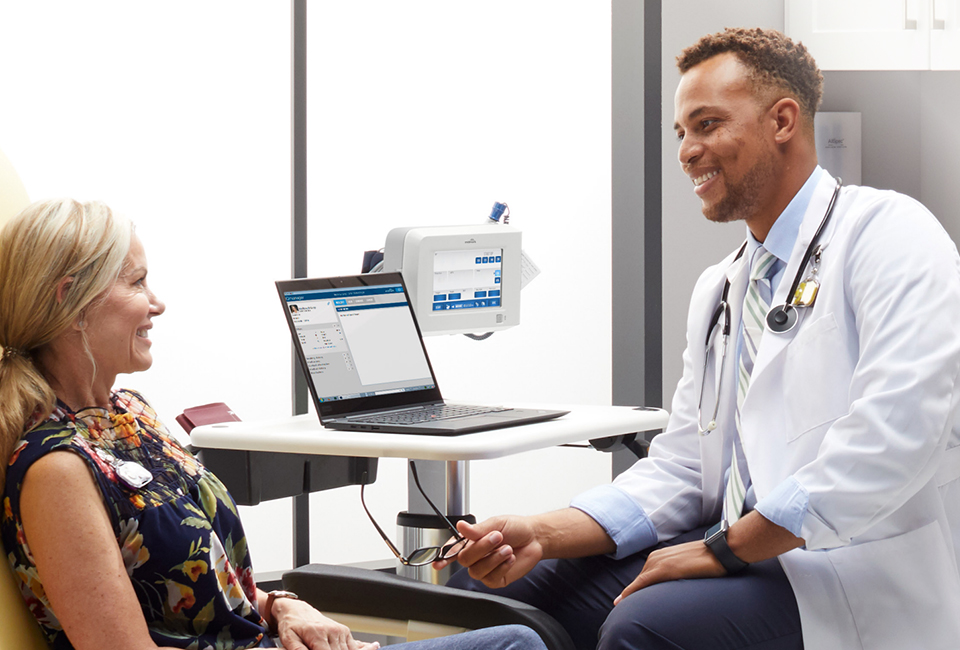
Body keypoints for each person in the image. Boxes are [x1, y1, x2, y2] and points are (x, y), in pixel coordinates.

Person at [435, 27, 960, 650]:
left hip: (843, 566)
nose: (687, 151)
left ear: (783, 121)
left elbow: (895, 436)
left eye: (707, 125)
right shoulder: (722, 286)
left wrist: (728, 547)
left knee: (645, 627)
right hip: (732, 540)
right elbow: (685, 467)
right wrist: (544, 531)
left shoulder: (889, 234)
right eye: (681, 132)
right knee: (497, 595)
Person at [0, 198, 547, 650]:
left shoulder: (130, 413)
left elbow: (211, 587)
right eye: (138, 283)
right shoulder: (59, 470)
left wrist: (286, 605)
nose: (157, 303)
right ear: (70, 301)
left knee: (519, 639)